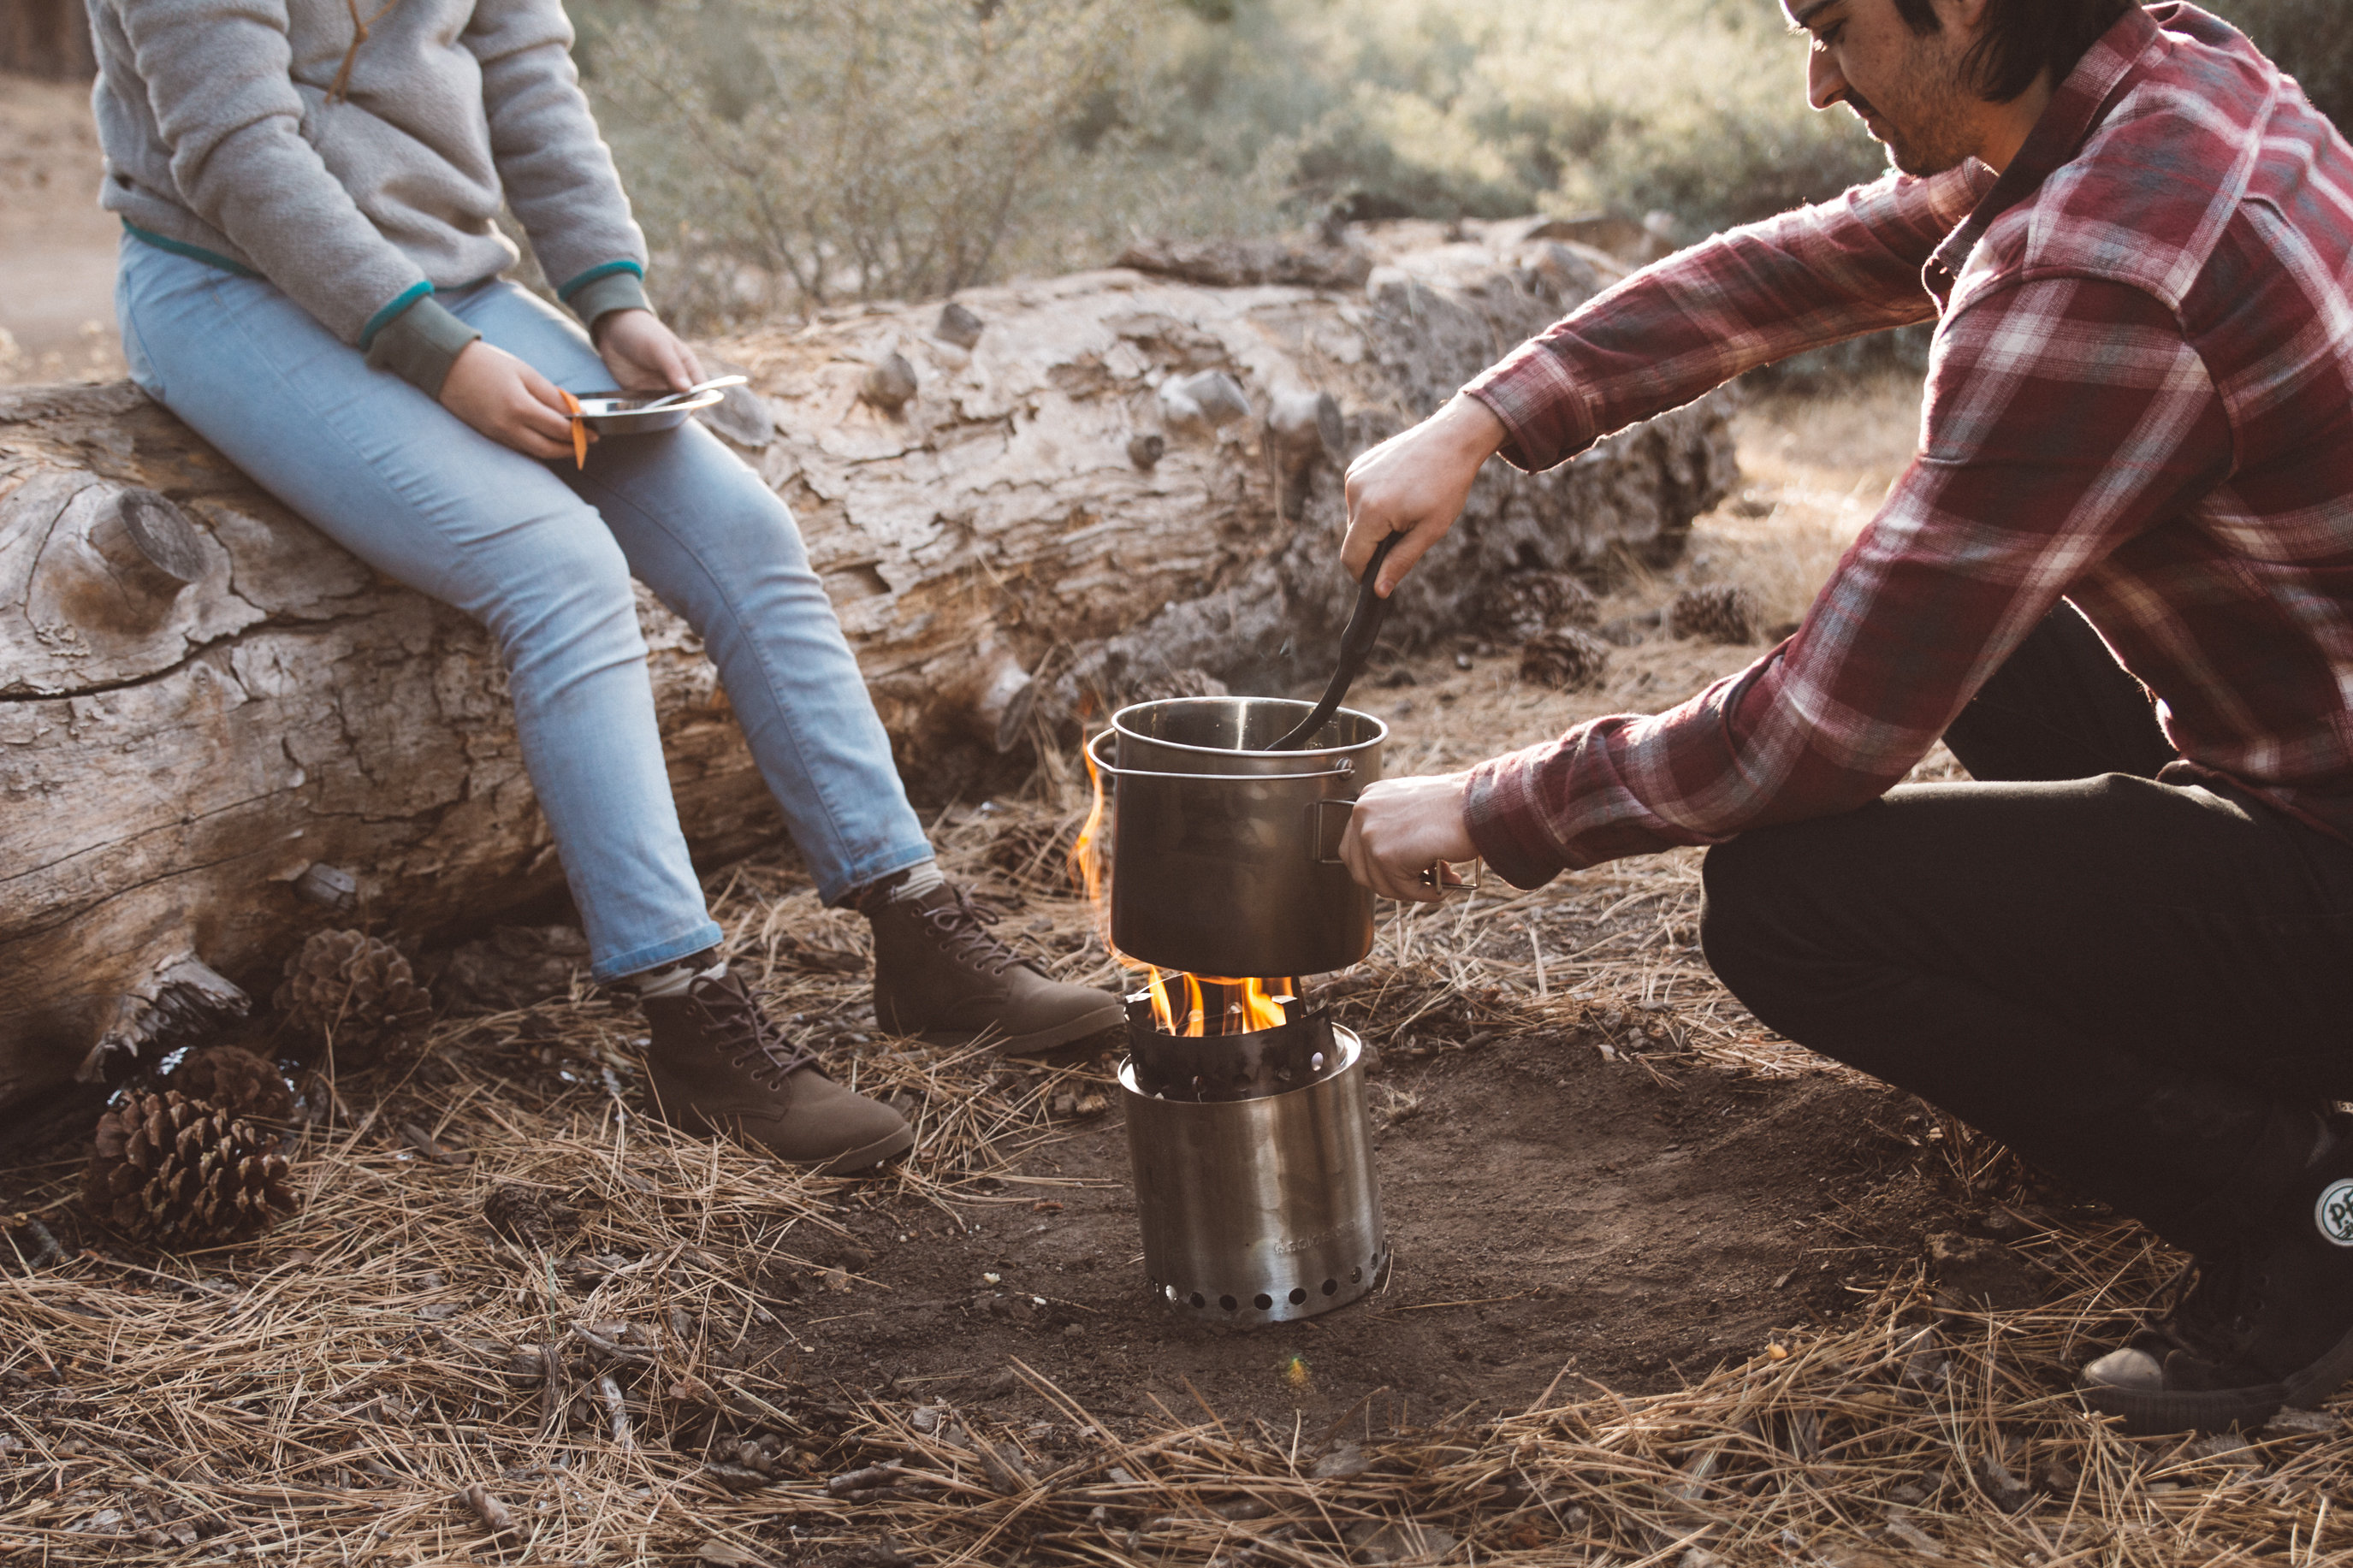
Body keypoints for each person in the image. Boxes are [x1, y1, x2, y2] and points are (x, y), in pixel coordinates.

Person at [1337, 0, 2353, 1435]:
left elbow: (1816, 736)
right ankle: (2190, 1057)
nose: (1816, 82)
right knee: (1974, 633)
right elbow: (1807, 261)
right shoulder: (2174, 77)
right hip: (2306, 745)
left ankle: (2297, 1205)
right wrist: (1485, 416)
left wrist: (1490, 805)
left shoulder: (2104, 278)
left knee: (1786, 906)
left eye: (1836, 28)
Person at [87, 0, 1122, 1175]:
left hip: (455, 285)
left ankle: (920, 927)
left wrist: (609, 296)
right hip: (229, 287)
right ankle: (689, 1011)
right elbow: (233, 148)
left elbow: (526, 71)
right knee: (556, 562)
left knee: (742, 528)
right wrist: (436, 356)